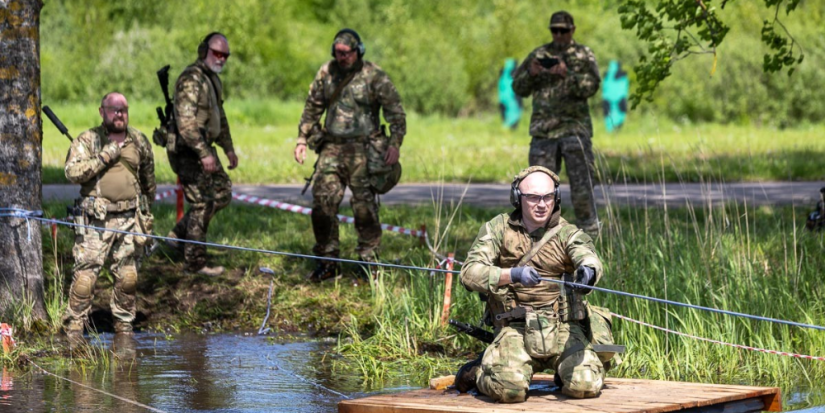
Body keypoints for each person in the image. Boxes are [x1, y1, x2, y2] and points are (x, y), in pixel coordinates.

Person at [457, 166, 606, 402]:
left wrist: (588, 273)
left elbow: (588, 256)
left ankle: (564, 371)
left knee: (585, 385)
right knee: (509, 391)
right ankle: (480, 371)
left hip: (564, 328)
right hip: (515, 328)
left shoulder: (568, 233)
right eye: (533, 197)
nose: (542, 204)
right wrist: (512, 275)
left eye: (547, 197)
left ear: (555, 198)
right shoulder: (497, 229)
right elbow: (469, 273)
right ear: (518, 198)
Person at [293, 28, 406, 281]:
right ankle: (328, 261)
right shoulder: (326, 72)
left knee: (364, 208)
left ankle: (368, 263)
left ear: (358, 51)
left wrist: (394, 144)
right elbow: (312, 107)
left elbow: (395, 111)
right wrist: (302, 139)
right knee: (322, 204)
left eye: (347, 53)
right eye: (338, 53)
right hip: (331, 148)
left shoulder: (374, 76)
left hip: (364, 150)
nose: (342, 57)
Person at [62, 92, 156, 343]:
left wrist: (146, 212)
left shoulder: (138, 140)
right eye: (113, 109)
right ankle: (74, 328)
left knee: (128, 276)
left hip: (129, 219)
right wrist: (105, 156)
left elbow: (148, 178)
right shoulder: (89, 139)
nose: (119, 114)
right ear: (102, 111)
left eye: (123, 109)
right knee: (85, 277)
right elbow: (72, 172)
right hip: (96, 221)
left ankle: (124, 327)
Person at [512, 11, 602, 237]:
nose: (559, 35)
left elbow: (591, 86)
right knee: (539, 190)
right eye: (555, 30)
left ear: (572, 30)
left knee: (582, 188)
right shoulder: (540, 54)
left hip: (574, 131)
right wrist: (531, 74)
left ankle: (588, 238)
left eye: (563, 30)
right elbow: (518, 87)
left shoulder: (583, 55)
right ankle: (540, 238)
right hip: (544, 133)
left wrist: (567, 74)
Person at [166, 32, 238, 277]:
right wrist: (204, 153)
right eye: (216, 52)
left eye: (225, 55)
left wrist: (228, 147)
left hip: (205, 148)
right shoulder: (191, 79)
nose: (221, 58)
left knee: (223, 192)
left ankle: (179, 234)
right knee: (203, 202)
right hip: (188, 150)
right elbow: (185, 122)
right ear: (203, 50)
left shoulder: (213, 80)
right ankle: (195, 264)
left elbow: (221, 115)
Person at [498, 58, 523, 130]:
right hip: (512, 97)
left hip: (503, 97)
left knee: (506, 114)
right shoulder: (513, 70)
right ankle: (510, 128)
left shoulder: (503, 71)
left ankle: (507, 128)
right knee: (514, 112)